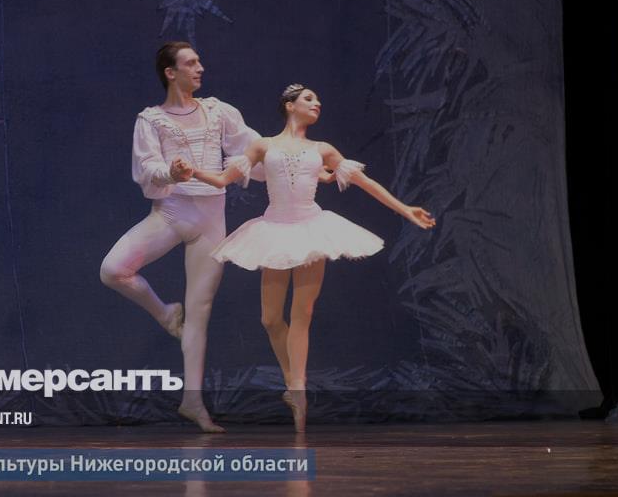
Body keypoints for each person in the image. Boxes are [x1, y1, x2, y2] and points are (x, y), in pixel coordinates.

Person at [187, 83, 436, 432]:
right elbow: (221, 180)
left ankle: (298, 391)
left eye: (318, 99)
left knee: (301, 313)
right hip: (274, 231)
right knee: (270, 318)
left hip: (310, 228)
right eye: (308, 98)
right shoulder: (263, 146)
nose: (316, 103)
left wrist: (406, 209)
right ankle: (293, 381)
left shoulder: (322, 149)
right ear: (290, 105)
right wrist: (191, 172)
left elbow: (366, 183)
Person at [99, 42, 262, 433]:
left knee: (199, 312)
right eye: (191, 63)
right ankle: (165, 313)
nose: (200, 68)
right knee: (113, 270)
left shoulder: (218, 111)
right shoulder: (151, 120)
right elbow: (147, 167)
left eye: (199, 61)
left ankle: (192, 402)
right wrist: (171, 172)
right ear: (171, 73)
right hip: (171, 214)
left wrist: (293, 160)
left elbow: (253, 147)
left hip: (210, 221)